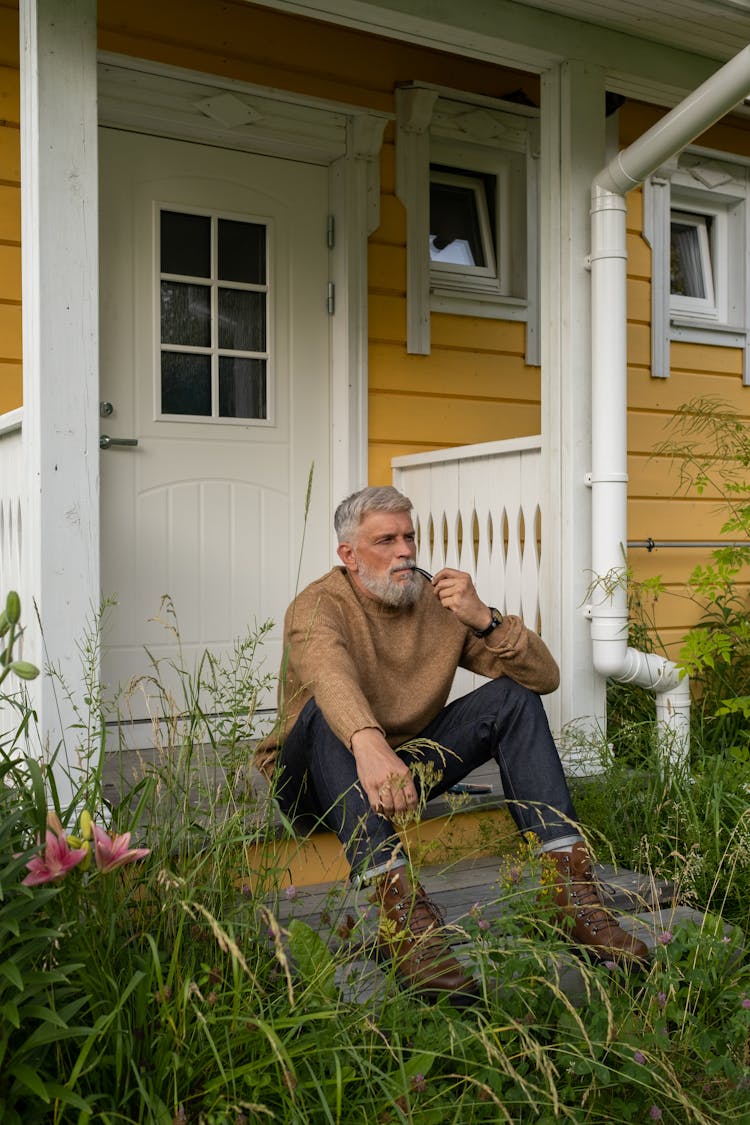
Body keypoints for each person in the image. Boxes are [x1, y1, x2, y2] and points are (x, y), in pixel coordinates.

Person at [255, 486, 649, 1002]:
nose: (405, 551)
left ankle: (571, 896)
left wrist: (485, 616)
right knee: (321, 716)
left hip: (403, 770)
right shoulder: (318, 605)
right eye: (386, 540)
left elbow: (544, 677)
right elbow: (330, 677)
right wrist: (368, 742)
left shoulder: (437, 604)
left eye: (409, 537)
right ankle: (403, 920)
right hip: (313, 784)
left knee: (514, 700)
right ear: (348, 555)